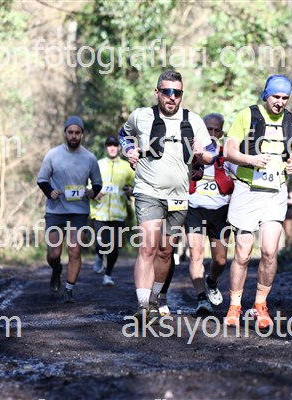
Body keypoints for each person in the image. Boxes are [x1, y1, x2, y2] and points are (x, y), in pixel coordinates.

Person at [120, 70, 215, 322]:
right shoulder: (141, 116)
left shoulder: (193, 120)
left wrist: (203, 155)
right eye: (166, 92)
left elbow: (211, 153)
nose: (172, 97)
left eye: (177, 93)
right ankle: (142, 306)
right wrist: (129, 151)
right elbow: (123, 135)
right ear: (157, 92)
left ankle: (154, 299)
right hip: (148, 191)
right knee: (148, 246)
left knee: (165, 251)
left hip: (179, 196)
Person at [223, 75, 292, 329]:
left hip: (275, 192)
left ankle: (260, 305)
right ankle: (235, 306)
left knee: (269, 251)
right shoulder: (248, 115)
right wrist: (250, 160)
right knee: (243, 253)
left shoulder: (291, 120)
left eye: (285, 98)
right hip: (247, 191)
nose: (280, 102)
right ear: (266, 95)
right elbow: (228, 151)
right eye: (276, 96)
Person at [37, 115, 102, 303]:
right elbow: (42, 179)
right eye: (70, 132)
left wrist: (92, 192)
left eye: (77, 133)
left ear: (82, 134)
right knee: (54, 254)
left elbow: (97, 183)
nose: (74, 136)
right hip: (55, 210)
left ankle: (69, 289)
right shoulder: (53, 154)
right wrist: (50, 192)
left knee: (74, 251)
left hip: (79, 212)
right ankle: (56, 269)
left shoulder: (89, 158)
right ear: (65, 133)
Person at [185, 113, 234, 315]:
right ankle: (202, 300)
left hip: (220, 212)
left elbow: (239, 181)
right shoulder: (190, 153)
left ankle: (211, 282)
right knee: (196, 255)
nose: (212, 133)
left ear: (221, 133)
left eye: (216, 130)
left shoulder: (227, 155)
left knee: (220, 260)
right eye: (208, 129)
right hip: (194, 209)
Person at [90, 135, 135, 287]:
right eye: (109, 145)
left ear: (119, 148)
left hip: (118, 213)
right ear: (105, 148)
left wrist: (131, 191)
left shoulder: (126, 167)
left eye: (115, 145)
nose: (112, 148)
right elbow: (89, 184)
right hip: (99, 211)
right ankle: (99, 255)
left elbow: (134, 184)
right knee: (102, 242)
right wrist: (93, 192)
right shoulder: (98, 164)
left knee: (114, 246)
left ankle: (108, 275)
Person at [281, 186, 292, 250]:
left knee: (288, 232)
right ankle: (280, 250)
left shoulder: (288, 189)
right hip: (278, 215)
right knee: (279, 233)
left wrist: (284, 200)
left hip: (287, 215)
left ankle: (288, 249)